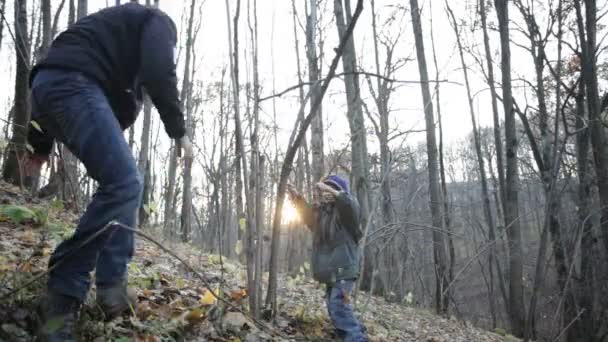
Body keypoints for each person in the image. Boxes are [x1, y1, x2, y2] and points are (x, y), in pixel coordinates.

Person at [24, 3, 193, 341]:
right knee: (125, 181)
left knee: (128, 183)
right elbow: (160, 72)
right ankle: (63, 291)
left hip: (50, 86)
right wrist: (178, 130)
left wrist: (38, 144)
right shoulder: (158, 22)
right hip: (73, 84)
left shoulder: (112, 55)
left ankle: (111, 290)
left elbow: (59, 69)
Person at [287, 176, 368, 342]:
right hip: (332, 273)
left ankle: (357, 338)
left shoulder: (348, 215)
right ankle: (357, 333)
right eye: (324, 190)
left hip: (345, 271)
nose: (327, 193)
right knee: (334, 307)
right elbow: (307, 215)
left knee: (338, 306)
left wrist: (335, 192)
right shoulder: (322, 215)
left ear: (340, 192)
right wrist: (296, 197)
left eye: (331, 189)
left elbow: (349, 205)